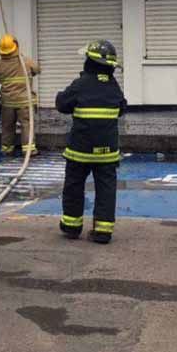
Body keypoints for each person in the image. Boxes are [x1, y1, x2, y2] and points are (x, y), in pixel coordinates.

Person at [55, 40, 127, 244]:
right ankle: (103, 231)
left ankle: (71, 226)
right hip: (107, 153)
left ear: (90, 62)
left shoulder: (81, 84)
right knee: (106, 189)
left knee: (74, 186)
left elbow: (62, 104)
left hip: (80, 151)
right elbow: (122, 108)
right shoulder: (113, 86)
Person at [0, 34, 40, 157]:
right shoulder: (25, 61)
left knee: (7, 126)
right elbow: (37, 70)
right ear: (16, 46)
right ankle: (29, 150)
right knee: (26, 125)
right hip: (24, 101)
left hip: (7, 102)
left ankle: (7, 149)